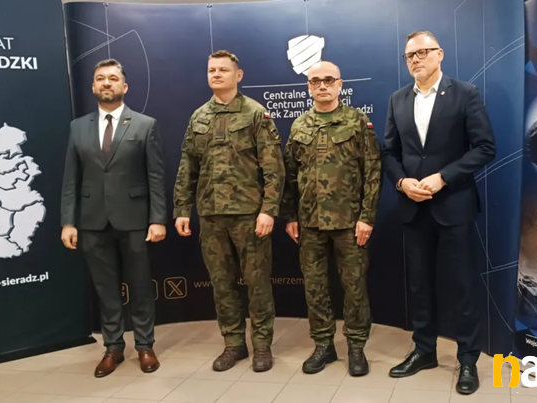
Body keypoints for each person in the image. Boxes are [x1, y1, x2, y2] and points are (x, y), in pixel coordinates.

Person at [381, 31, 496, 394]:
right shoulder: (398, 99)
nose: (415, 59)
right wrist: (402, 183)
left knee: (462, 286)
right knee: (419, 285)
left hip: (454, 207)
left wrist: (443, 177)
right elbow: (389, 152)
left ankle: (467, 360)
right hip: (413, 208)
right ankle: (424, 351)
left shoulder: (465, 93)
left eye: (422, 52)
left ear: (440, 54)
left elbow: (485, 147)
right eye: (409, 56)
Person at [173, 50, 285, 373]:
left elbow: (274, 168)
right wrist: (182, 209)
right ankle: (234, 343)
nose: (217, 74)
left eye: (223, 70)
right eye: (212, 70)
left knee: (257, 283)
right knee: (221, 284)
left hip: (249, 215)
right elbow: (187, 166)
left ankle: (261, 345)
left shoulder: (255, 113)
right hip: (211, 216)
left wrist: (269, 210)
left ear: (239, 75)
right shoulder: (199, 117)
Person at [60, 58, 167, 377]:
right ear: (93, 86)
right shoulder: (78, 127)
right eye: (100, 78)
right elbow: (71, 179)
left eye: (113, 78)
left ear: (125, 86)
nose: (106, 83)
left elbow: (156, 176)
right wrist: (68, 222)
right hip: (92, 222)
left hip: (135, 221)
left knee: (140, 287)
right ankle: (113, 348)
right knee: (105, 289)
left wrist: (158, 219)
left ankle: (145, 345)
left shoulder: (145, 125)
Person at [281, 61, 382, 377]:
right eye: (315, 81)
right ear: (308, 87)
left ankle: (356, 346)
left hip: (349, 222)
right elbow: (290, 175)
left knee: (354, 286)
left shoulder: (357, 122)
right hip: (309, 222)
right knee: (315, 287)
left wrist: (367, 217)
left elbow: (373, 171)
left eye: (328, 80)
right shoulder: (299, 125)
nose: (322, 86)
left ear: (340, 84)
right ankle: (323, 344)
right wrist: (289, 216)